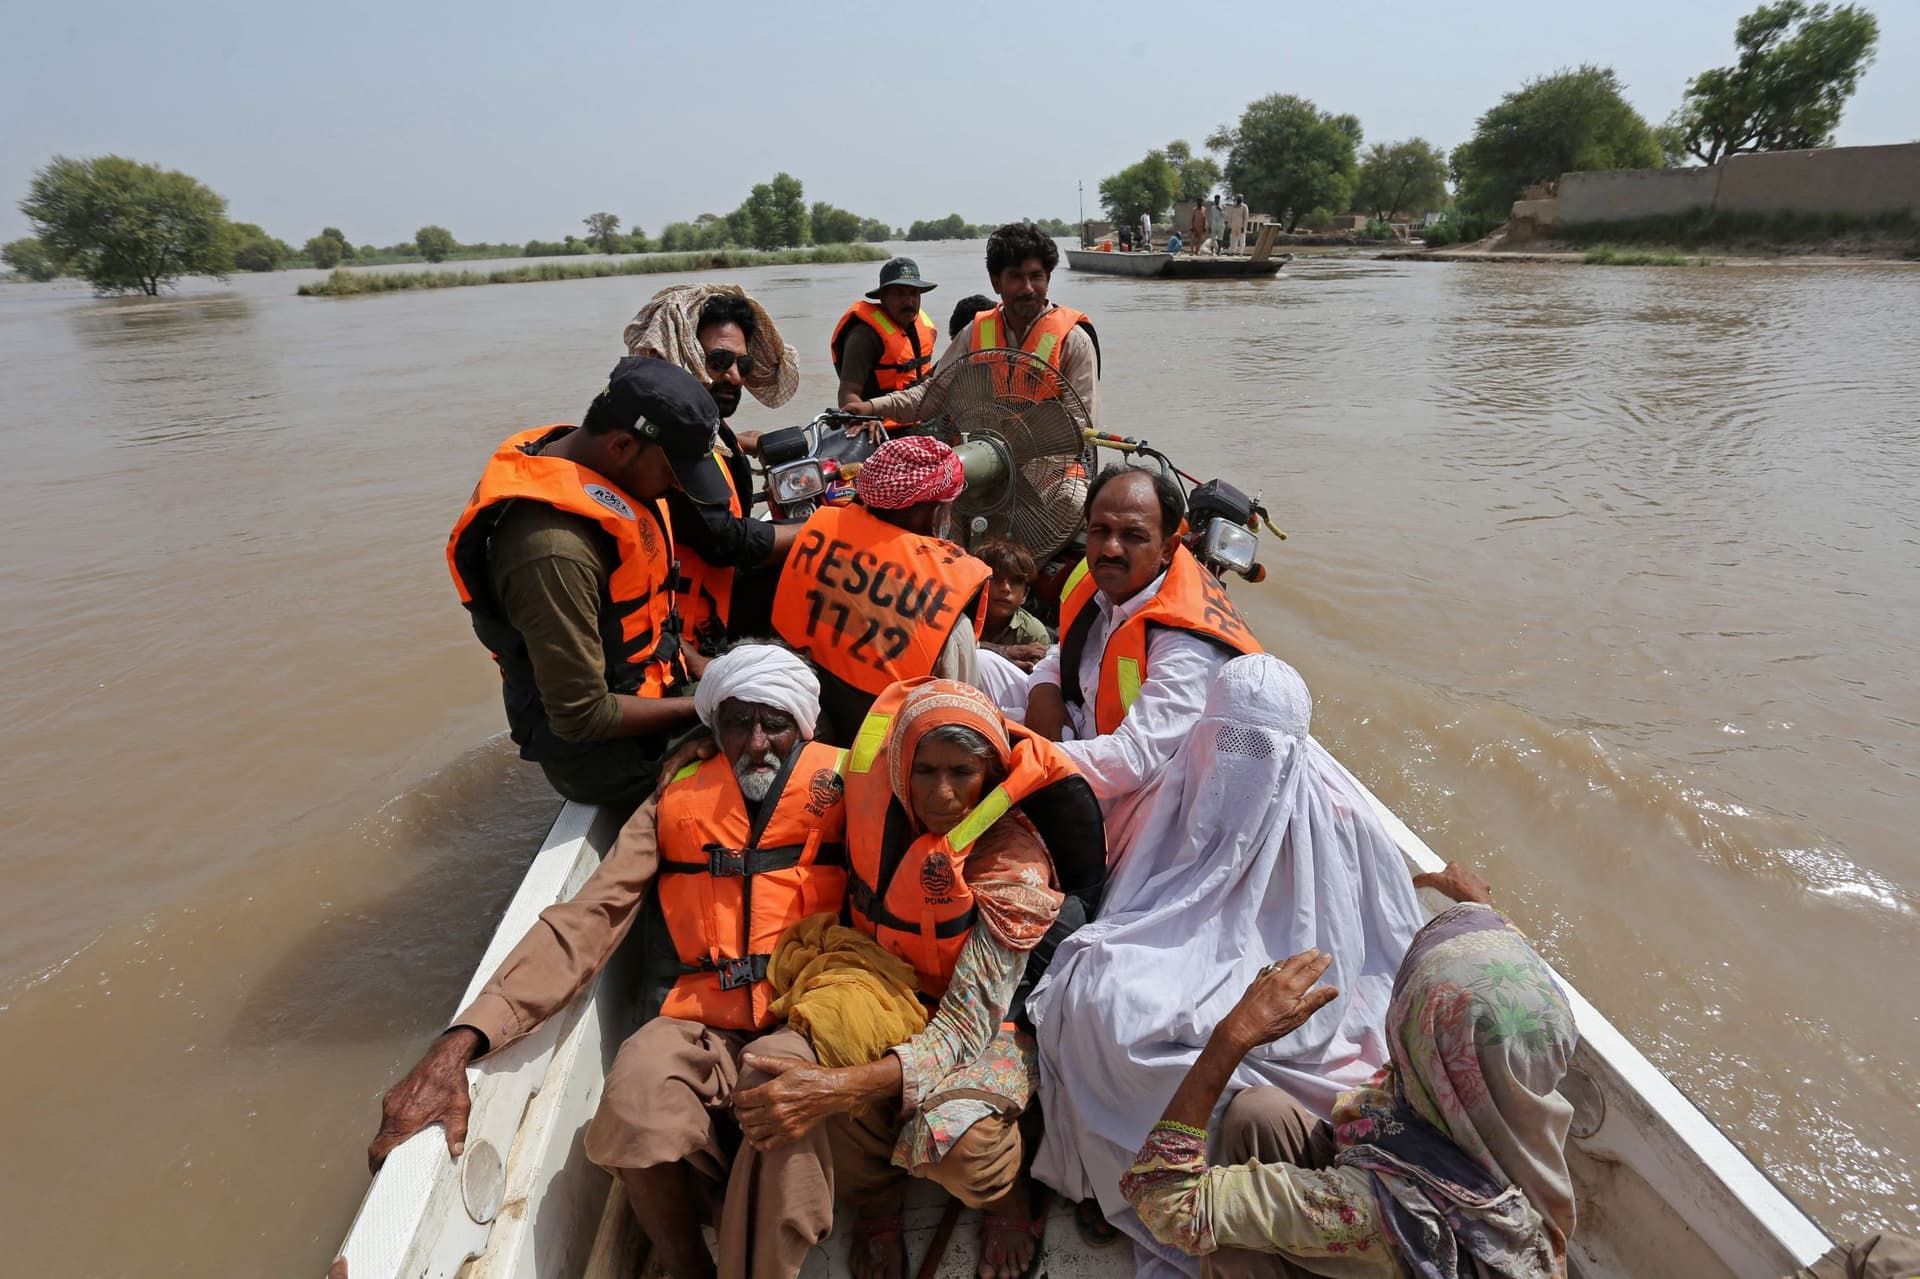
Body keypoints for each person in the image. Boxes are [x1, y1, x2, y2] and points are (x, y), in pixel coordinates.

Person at [365, 645, 848, 1279]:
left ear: (804, 727)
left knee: (780, 1101)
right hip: (701, 1018)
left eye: (775, 724)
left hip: (804, 1017)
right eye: (737, 724)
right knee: (633, 1099)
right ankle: (683, 1263)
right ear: (715, 730)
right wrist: (462, 1040)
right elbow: (592, 916)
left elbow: (939, 768)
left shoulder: (849, 789)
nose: (756, 743)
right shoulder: (675, 797)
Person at [1027, 655, 1426, 1269]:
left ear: (1294, 750)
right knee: (1096, 1000)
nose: (1237, 763)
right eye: (1227, 741)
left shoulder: (1343, 818)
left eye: (1256, 748)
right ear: (1205, 732)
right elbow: (1131, 887)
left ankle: (1173, 1183)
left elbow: (1383, 922)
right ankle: (1125, 1176)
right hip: (1176, 938)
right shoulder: (1176, 785)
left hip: (1299, 985)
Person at [729, 679, 1104, 1279]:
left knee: (963, 1146)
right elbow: (779, 777)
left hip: (989, 1019)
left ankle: (1007, 1196)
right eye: (925, 771)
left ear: (992, 775)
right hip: (891, 982)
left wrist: (843, 1086)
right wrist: (697, 746)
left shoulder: (1016, 865)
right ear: (901, 766)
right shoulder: (873, 799)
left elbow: (961, 1031)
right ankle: (877, 1200)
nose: (943, 794)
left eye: (963, 772)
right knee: (807, 1066)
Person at [1118, 891, 1579, 1279]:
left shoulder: (1375, 1209)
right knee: (1260, 1115)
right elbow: (1502, 975)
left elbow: (1165, 1202)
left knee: (1233, 1243)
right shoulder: (1514, 1104)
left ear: (1413, 1029)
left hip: (1389, 1229)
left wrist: (1233, 1036)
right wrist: (1469, 901)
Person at [446, 356, 725, 807]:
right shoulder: (553, 553)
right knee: (786, 732)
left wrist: (703, 668)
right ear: (620, 446)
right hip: (600, 755)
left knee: (788, 684)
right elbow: (583, 717)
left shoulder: (601, 467)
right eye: (674, 474)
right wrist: (713, 707)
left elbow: (651, 625)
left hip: (654, 692)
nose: (677, 488)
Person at [1025, 466, 1262, 861]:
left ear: (1168, 547)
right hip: (1085, 728)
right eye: (1100, 531)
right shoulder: (1108, 583)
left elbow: (1130, 762)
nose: (1111, 548)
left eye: (1133, 535)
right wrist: (1043, 691)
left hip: (1139, 790)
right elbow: (1061, 651)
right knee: (983, 666)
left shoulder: (1185, 643)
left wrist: (1015, 749)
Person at [770, 436, 992, 744]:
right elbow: (959, 725)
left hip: (804, 724)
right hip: (882, 758)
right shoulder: (950, 616)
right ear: (931, 513)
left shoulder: (814, 542)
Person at [624, 285, 805, 649]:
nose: (735, 376)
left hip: (715, 604)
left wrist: (741, 443)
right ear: (684, 357)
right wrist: (822, 528)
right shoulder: (661, 439)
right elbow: (723, 540)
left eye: (744, 364)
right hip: (684, 637)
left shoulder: (707, 425)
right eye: (719, 362)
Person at [845, 223, 1100, 429]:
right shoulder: (974, 333)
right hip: (981, 463)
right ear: (995, 283)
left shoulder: (1073, 341)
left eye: (1036, 276)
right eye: (1015, 277)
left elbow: (1080, 424)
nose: (1028, 288)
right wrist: (871, 408)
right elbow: (932, 395)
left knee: (1072, 496)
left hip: (1054, 470)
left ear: (1048, 279)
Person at [833, 258, 939, 434]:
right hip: (882, 425)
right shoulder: (864, 336)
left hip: (922, 418)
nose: (909, 301)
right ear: (883, 297)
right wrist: (864, 420)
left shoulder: (923, 327)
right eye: (899, 293)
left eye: (914, 293)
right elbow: (847, 392)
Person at [974, 536, 1052, 668]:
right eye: (995, 578)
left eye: (1015, 581)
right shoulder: (958, 619)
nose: (1005, 588)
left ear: (1025, 595)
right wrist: (1006, 652)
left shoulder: (1033, 633)